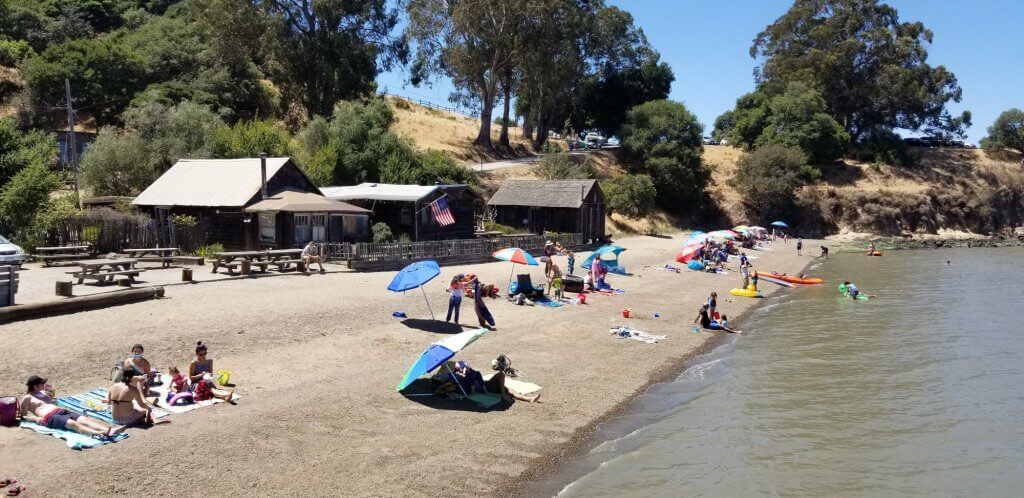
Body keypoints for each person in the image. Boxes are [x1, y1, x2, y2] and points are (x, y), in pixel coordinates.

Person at [20, 376, 120, 437]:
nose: (43, 385)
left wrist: (47, 386)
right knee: (73, 424)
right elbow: (21, 416)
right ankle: (99, 433)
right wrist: (35, 419)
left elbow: (52, 396)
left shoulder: (42, 393)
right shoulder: (27, 398)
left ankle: (108, 429)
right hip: (50, 417)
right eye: (41, 384)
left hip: (60, 411)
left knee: (85, 419)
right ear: (35, 386)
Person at [450, 361, 539, 403]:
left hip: (486, 385)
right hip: (486, 386)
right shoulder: (457, 376)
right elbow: (471, 384)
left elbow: (475, 375)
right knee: (501, 375)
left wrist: (464, 371)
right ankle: (504, 395)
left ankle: (529, 399)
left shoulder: (468, 371)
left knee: (511, 391)